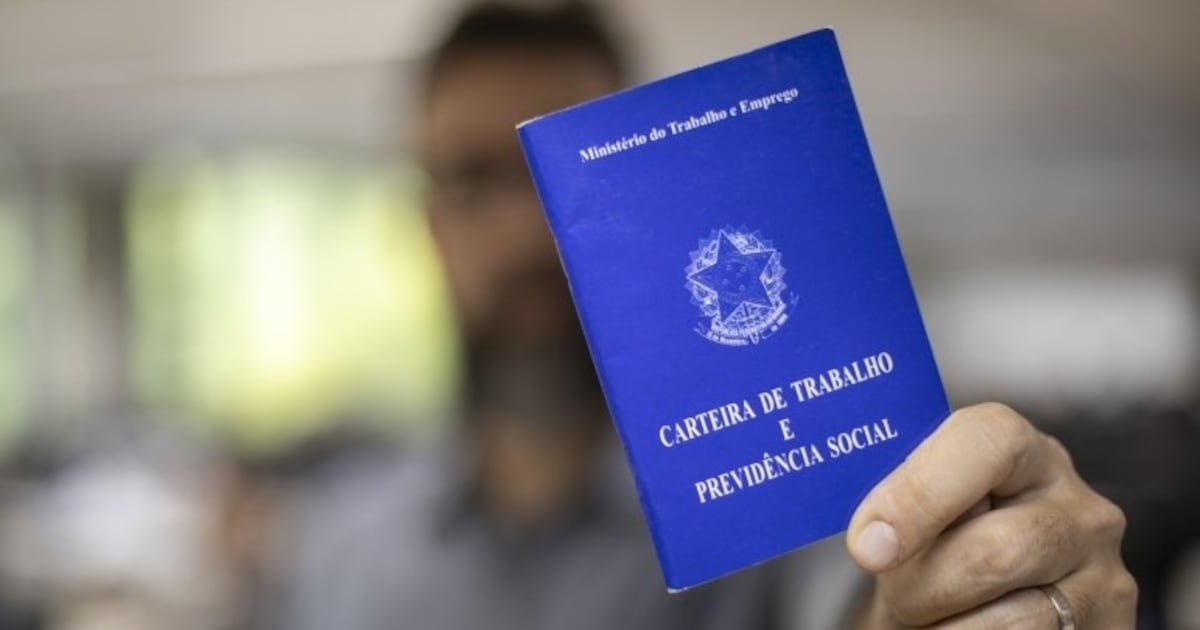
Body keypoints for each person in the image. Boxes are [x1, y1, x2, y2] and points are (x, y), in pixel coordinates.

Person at [284, 3, 1137, 628]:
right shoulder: (342, 553)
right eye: (475, 181)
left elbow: (861, 596)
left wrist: (961, 592)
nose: (525, 234)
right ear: (430, 227)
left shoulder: (772, 488)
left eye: (567, 187)